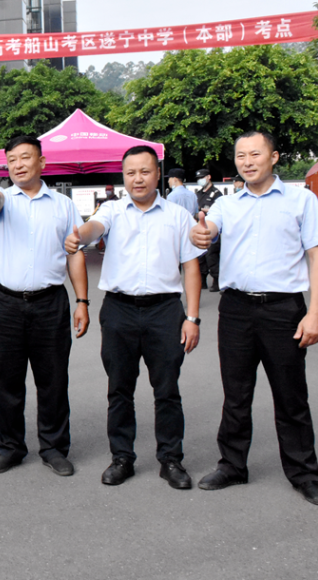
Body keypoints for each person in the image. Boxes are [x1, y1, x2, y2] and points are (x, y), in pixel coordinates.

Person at [190, 132, 318, 506]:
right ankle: (232, 466)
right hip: (236, 310)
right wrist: (202, 232)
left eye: (255, 154)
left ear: (274, 157)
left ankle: (304, 474)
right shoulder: (226, 204)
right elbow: (208, 229)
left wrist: (315, 313)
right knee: (236, 394)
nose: (247, 161)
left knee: (291, 396)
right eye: (241, 155)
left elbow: (317, 259)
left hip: (283, 310)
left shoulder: (301, 200)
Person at [66, 146, 203, 490]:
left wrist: (192, 317)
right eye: (130, 173)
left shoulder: (177, 216)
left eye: (144, 171)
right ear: (123, 177)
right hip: (119, 311)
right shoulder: (112, 210)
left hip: (165, 311)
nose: (137, 179)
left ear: (157, 174)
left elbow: (191, 267)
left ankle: (170, 460)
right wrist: (80, 235)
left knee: (167, 390)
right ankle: (122, 458)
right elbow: (94, 228)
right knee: (119, 389)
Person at [0, 135, 90, 477]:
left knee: (53, 380)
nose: (18, 165)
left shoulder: (63, 205)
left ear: (41, 161)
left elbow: (74, 253)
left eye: (25, 157)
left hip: (50, 303)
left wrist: (82, 301)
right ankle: (10, 447)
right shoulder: (1, 199)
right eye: (12, 160)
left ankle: (54, 448)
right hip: (5, 304)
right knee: (7, 381)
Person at [195, 168, 222, 291]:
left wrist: (205, 210)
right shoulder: (199, 194)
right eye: (198, 178)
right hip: (200, 227)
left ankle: (216, 280)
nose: (200, 180)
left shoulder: (216, 193)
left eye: (202, 177)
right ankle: (202, 280)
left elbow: (218, 210)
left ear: (208, 177)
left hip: (212, 229)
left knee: (212, 256)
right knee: (201, 257)